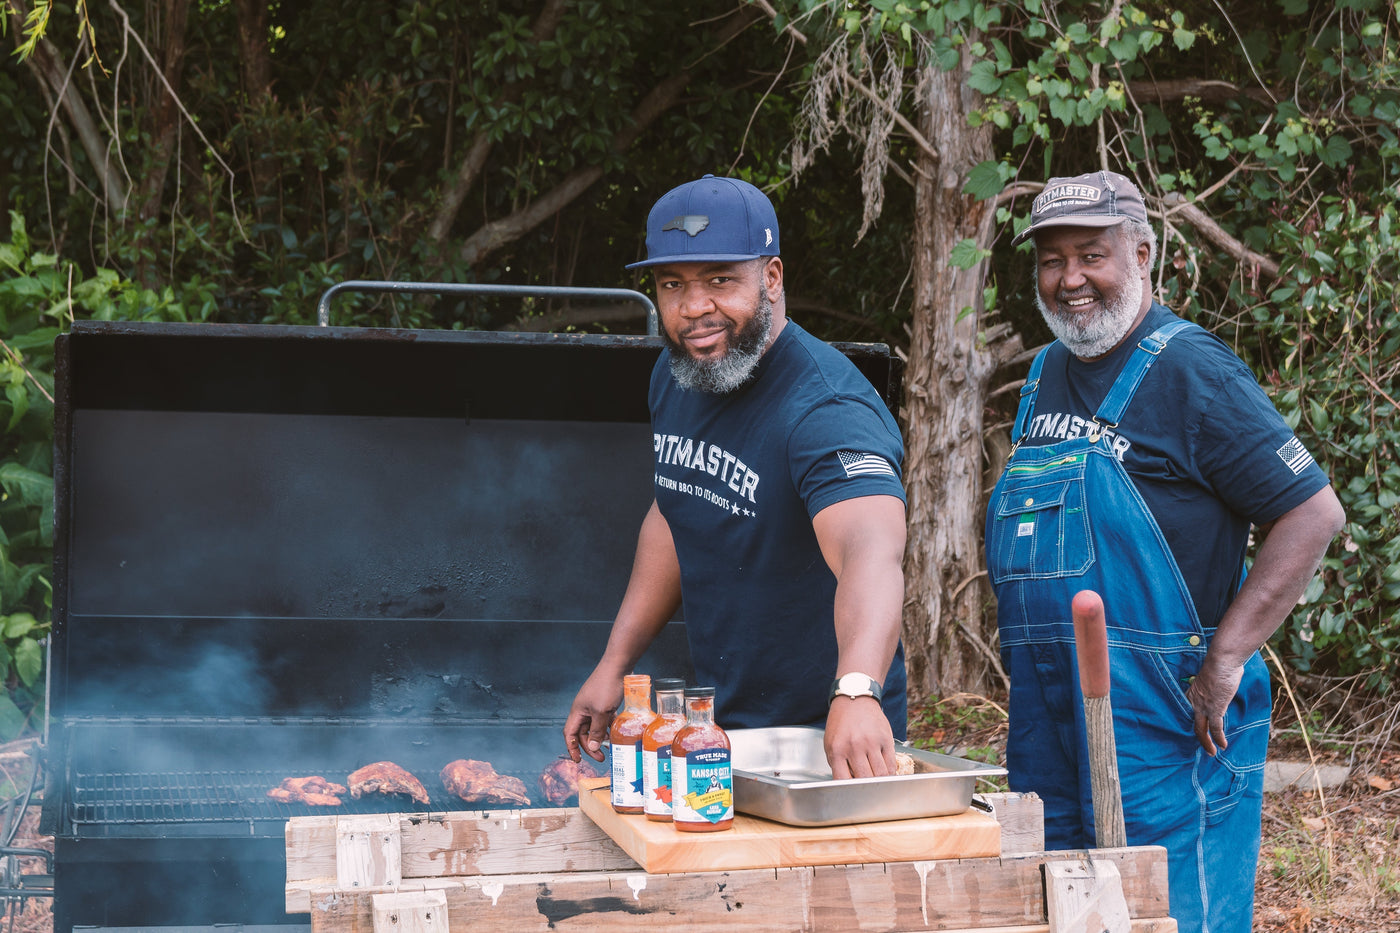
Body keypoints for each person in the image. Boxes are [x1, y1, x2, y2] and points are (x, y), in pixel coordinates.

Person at [985, 170, 1345, 932]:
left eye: (1092, 254)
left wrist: (1226, 656)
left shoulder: (1192, 371)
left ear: (1143, 252)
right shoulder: (1046, 371)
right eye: (1052, 260)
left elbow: (1311, 512)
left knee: (1176, 912)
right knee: (1063, 908)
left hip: (1163, 718)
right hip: (1048, 711)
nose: (1070, 278)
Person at [563, 174, 910, 779]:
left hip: (831, 739)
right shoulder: (677, 376)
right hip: (723, 729)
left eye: (720, 280)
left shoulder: (825, 409)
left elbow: (871, 551)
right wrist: (615, 664)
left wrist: (856, 691)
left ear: (771, 278)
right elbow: (676, 509)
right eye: (673, 285)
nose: (694, 308)